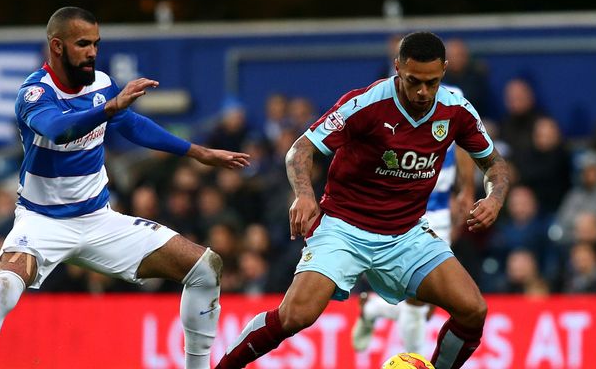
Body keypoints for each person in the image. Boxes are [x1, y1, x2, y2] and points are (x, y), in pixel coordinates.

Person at [0, 7, 249, 369]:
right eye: (83, 43)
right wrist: (110, 107)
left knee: (204, 266)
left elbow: (133, 124)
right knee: (3, 289)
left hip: (99, 220)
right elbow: (59, 129)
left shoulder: (102, 84)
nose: (92, 51)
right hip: (41, 223)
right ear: (57, 47)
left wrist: (198, 152)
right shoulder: (33, 93)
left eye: (96, 43)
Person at [215, 32, 510, 369]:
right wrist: (305, 196)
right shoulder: (367, 103)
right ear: (397, 67)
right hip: (344, 228)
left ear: (444, 70)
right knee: (295, 315)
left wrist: (494, 197)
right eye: (413, 81)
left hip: (406, 233)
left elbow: (496, 165)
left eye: (431, 82)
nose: (422, 92)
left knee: (473, 310)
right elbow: (301, 148)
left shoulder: (456, 110)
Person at [350, 85, 476, 354]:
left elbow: (465, 142)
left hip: (438, 209)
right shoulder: (385, 98)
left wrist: (466, 188)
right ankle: (413, 359)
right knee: (419, 298)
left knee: (425, 299)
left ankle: (372, 309)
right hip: (399, 210)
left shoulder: (453, 99)